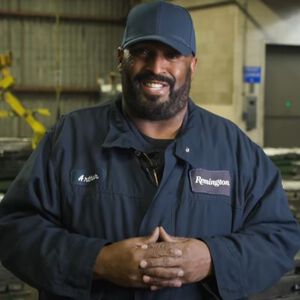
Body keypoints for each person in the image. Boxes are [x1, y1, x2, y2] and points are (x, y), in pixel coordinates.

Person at [0, 1, 299, 299]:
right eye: (143, 52)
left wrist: (212, 258)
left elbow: (278, 235)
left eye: (172, 54)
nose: (157, 68)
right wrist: (97, 261)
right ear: (121, 58)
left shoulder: (234, 149)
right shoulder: (69, 139)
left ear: (192, 64)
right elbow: (14, 229)